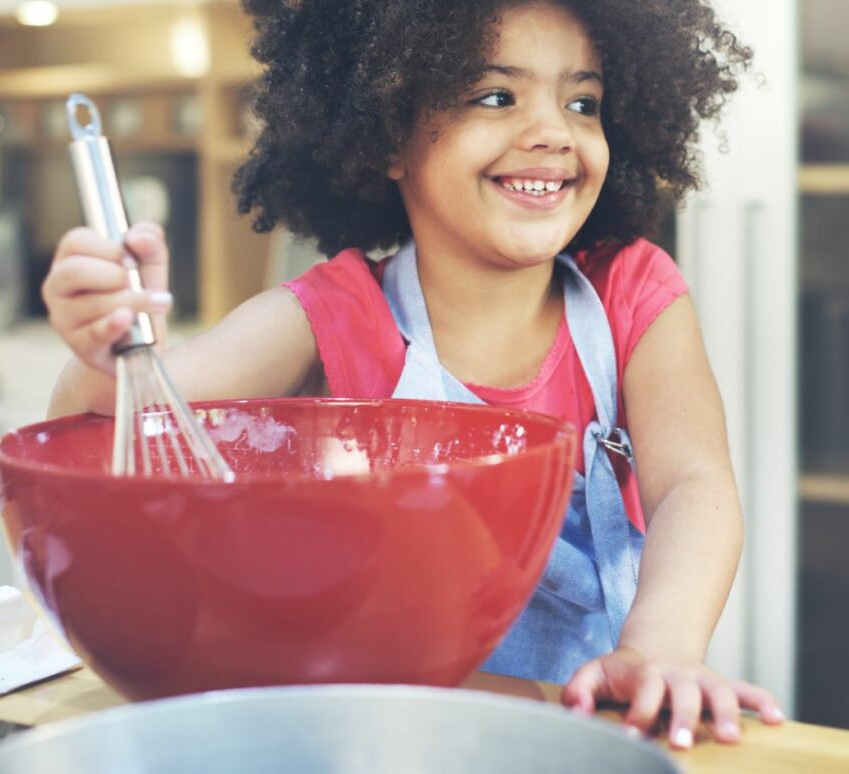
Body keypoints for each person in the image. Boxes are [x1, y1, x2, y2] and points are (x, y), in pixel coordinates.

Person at [43, 0, 785, 749]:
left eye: (582, 102)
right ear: (388, 134)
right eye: (496, 96)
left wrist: (659, 650)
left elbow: (694, 483)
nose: (554, 132)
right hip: (393, 741)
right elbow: (124, 416)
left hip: (590, 730)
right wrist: (110, 348)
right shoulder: (330, 314)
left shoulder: (633, 292)